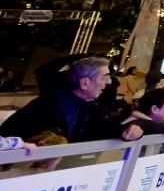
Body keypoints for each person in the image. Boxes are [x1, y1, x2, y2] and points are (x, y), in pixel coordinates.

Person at [0, 56, 144, 144]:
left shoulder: (89, 107)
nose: (109, 82)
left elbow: (102, 128)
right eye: (104, 77)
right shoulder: (46, 105)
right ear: (85, 83)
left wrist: (127, 130)